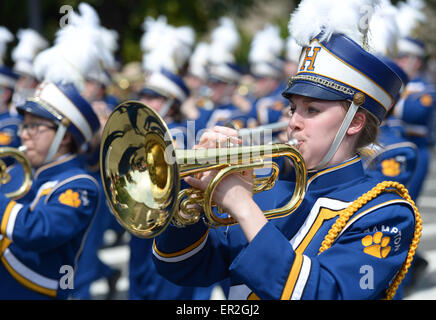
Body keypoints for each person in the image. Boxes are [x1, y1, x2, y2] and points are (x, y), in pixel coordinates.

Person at [152, 0, 421, 300]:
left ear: (354, 122)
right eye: (293, 108)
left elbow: (322, 294)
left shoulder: (384, 211)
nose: (293, 121)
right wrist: (190, 206)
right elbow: (181, 268)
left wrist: (243, 207)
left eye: (312, 109)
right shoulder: (268, 190)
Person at [0, 81, 101, 299]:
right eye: (24, 126)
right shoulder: (18, 172)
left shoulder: (80, 185)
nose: (24, 135)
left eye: (33, 126)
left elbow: (38, 232)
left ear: (64, 136)